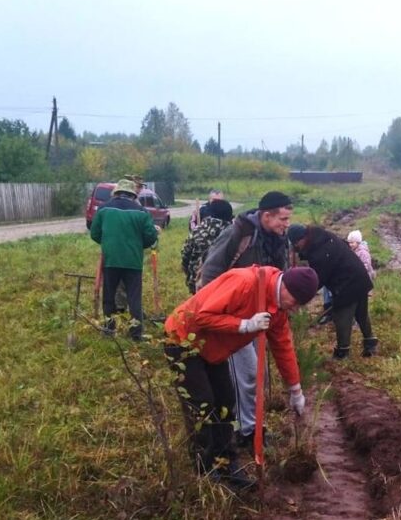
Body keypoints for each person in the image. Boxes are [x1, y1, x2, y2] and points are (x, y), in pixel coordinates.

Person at [164, 266, 319, 492]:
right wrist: (243, 325)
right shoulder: (245, 283)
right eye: (294, 301)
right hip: (184, 340)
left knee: (226, 403)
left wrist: (295, 390)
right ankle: (205, 470)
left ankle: (227, 464)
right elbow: (202, 316)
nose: (294, 308)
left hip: (214, 350)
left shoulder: (278, 311)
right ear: (284, 285)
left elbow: (283, 348)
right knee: (202, 405)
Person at [199, 191, 294, 448]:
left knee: (255, 374)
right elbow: (210, 271)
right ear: (266, 215)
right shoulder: (238, 234)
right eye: (282, 219)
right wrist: (211, 314)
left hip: (260, 317)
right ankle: (246, 431)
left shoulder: (278, 240)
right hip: (232, 318)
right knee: (248, 373)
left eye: (288, 219)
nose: (287, 225)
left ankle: (251, 424)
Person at [288, 224, 377, 358]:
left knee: (342, 317)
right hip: (359, 276)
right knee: (361, 313)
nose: (296, 248)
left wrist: (301, 297)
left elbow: (318, 279)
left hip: (348, 283)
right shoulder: (322, 237)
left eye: (296, 244)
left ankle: (342, 352)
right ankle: (370, 343)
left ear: (303, 238)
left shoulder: (320, 251)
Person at [89, 178, 158, 340]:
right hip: (133, 262)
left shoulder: (104, 209)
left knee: (109, 296)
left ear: (116, 192)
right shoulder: (141, 212)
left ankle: (109, 330)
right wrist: (139, 246)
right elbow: (151, 236)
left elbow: (94, 233)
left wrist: (107, 244)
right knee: (134, 298)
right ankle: (136, 334)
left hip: (111, 260)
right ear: (133, 194)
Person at [180, 199, 234, 294]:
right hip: (226, 286)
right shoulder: (234, 234)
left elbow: (185, 254)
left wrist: (190, 274)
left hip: (199, 283)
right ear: (230, 215)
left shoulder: (198, 230)